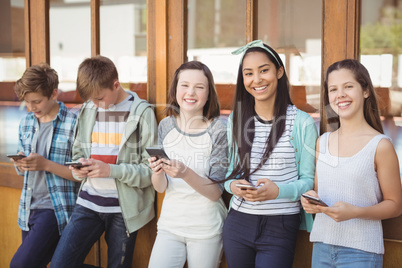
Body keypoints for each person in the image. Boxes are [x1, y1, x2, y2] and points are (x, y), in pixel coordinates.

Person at [50, 55, 157, 268]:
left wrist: (110, 170)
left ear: (115, 85)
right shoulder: (89, 109)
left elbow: (150, 172)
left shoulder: (142, 113)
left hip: (123, 211)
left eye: (99, 99)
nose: (95, 104)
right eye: (91, 100)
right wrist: (79, 168)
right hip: (87, 203)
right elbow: (78, 152)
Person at [222, 40, 318, 268]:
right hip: (238, 222)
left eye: (264, 70)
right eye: (248, 73)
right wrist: (233, 186)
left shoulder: (301, 122)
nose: (257, 79)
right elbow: (229, 174)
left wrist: (278, 191)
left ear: (279, 72)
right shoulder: (236, 119)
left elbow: (309, 182)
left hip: (281, 225)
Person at [301, 59, 402, 267]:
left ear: (365, 91)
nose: (340, 95)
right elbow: (321, 193)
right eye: (333, 89)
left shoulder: (380, 145)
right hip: (321, 246)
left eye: (348, 86)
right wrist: (311, 200)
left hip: (362, 253)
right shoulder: (323, 142)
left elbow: (395, 206)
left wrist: (355, 212)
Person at [147, 61, 228, 268]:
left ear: (208, 94)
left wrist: (184, 173)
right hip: (170, 225)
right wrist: (157, 172)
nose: (190, 92)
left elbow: (215, 192)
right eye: (184, 85)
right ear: (175, 90)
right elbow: (161, 187)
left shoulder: (218, 131)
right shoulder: (166, 125)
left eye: (199, 87)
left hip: (206, 229)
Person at [10, 64, 79, 268]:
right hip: (27, 209)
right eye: (27, 102)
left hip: (55, 210)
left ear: (54, 93)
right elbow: (21, 170)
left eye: (37, 101)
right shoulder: (26, 122)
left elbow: (80, 175)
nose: (32, 108)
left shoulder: (74, 122)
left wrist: (46, 164)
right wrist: (20, 164)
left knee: (20, 265)